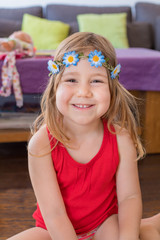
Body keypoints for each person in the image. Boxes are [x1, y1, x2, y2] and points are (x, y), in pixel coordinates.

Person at [7, 32, 160, 240]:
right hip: (53, 231)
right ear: (55, 87)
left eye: (96, 81)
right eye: (71, 79)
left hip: (104, 223)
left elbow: (129, 198)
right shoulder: (41, 144)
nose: (84, 92)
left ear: (112, 89)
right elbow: (55, 214)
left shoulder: (120, 138)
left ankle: (146, 228)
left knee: (126, 232)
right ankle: (150, 226)